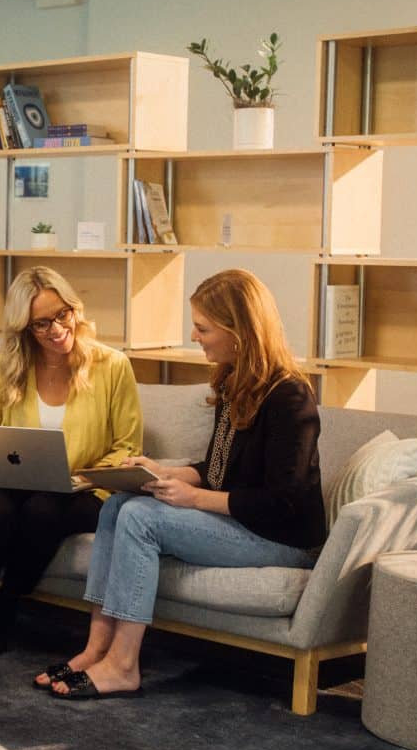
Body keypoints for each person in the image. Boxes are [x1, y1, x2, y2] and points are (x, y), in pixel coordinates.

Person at [39, 268, 325, 699]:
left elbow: (283, 502)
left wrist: (195, 498)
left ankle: (123, 665)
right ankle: (97, 646)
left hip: (281, 538)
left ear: (240, 331)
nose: (196, 336)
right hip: (245, 524)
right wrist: (165, 473)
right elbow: (218, 465)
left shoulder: (290, 397)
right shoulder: (233, 381)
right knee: (118, 504)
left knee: (141, 518)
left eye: (204, 328)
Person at [0, 266, 142, 656]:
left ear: (74, 309)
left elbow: (128, 445)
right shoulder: (5, 368)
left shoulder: (112, 365)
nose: (56, 329)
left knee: (42, 510)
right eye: (41, 324)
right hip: (22, 478)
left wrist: (82, 477)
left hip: (87, 488)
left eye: (62, 315)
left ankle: (5, 607)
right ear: (24, 329)